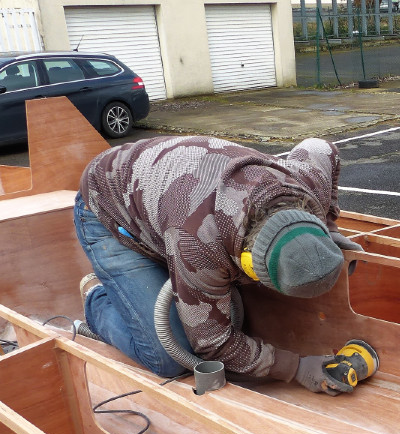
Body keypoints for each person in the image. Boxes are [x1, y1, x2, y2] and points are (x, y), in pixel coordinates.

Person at [75, 135, 362, 394]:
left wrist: (329, 227)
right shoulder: (197, 241)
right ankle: (97, 297)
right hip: (108, 206)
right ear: (249, 262)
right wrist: (294, 368)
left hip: (170, 192)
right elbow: (212, 343)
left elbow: (320, 147)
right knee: (167, 358)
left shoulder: (306, 184)